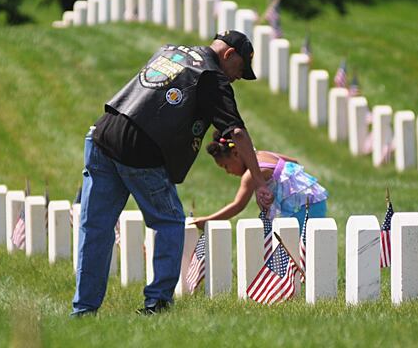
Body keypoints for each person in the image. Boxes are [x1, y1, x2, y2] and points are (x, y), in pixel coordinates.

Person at [72, 30, 274, 317]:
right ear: (229, 55)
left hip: (102, 136)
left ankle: (83, 309)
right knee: (170, 222)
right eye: (240, 69)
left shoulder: (171, 52)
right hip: (140, 151)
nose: (237, 77)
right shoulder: (211, 76)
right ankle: (158, 302)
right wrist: (258, 179)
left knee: (96, 229)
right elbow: (237, 132)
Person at [191, 130, 328, 231]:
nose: (227, 172)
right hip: (315, 199)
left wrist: (207, 220)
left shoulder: (251, 175)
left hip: (299, 208)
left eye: (225, 166)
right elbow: (293, 162)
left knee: (294, 251)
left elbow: (238, 205)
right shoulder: (263, 154)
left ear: (236, 153)